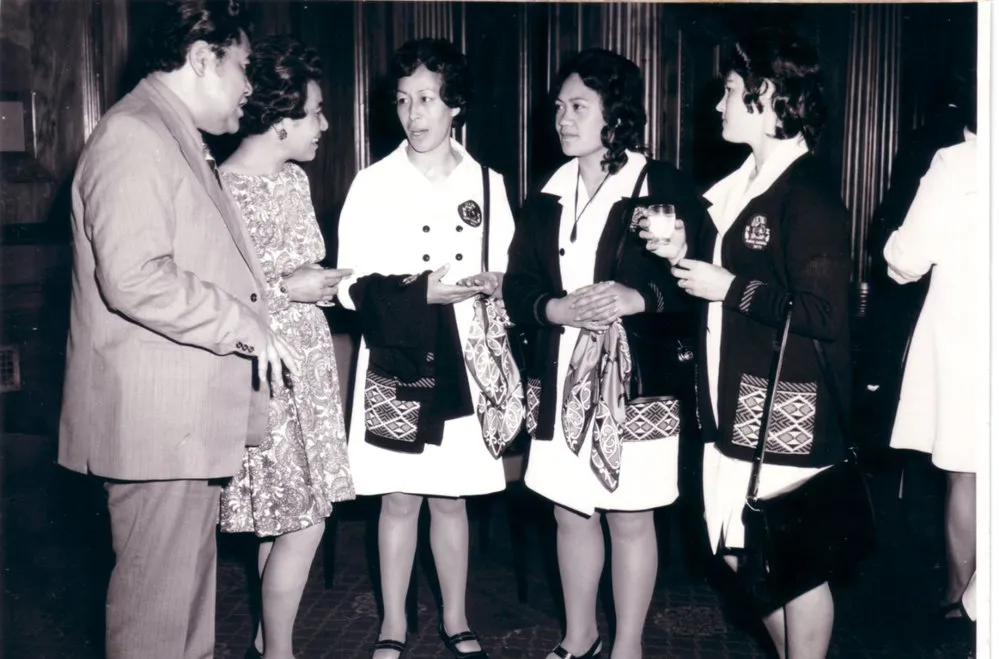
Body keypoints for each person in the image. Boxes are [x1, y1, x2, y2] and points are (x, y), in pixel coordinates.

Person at [57, 2, 300, 658]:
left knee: (179, 618)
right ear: (202, 58)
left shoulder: (168, 133)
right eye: (243, 68)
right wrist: (243, 324)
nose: (250, 87)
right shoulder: (134, 136)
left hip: (178, 430)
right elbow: (134, 276)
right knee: (155, 624)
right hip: (156, 428)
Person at [652, 30, 852, 659]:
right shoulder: (743, 182)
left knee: (794, 563)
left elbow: (822, 313)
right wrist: (685, 260)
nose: (719, 104)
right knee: (737, 550)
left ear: (767, 96)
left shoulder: (807, 189)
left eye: (732, 91)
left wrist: (728, 286)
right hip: (734, 396)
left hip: (787, 402)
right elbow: (731, 282)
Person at [503, 48, 706, 659]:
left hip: (636, 380)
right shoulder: (548, 191)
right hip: (560, 369)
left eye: (579, 107)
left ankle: (628, 647)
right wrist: (554, 310)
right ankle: (580, 635)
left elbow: (700, 278)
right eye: (560, 107)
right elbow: (519, 286)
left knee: (629, 515)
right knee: (570, 511)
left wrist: (638, 296)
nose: (563, 119)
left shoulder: (658, 185)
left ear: (614, 116)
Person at [336, 38, 518, 659]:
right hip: (396, 359)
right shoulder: (372, 183)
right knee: (398, 497)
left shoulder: (489, 185)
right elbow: (348, 286)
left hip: (464, 363)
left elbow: (509, 276)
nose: (414, 114)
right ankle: (393, 623)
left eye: (427, 100)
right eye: (403, 100)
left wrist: (496, 284)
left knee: (451, 496)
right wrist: (422, 294)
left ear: (455, 106)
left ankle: (457, 619)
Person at [217, 35, 356, 659]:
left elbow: (302, 271)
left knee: (292, 516)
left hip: (311, 369)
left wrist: (322, 287)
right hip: (265, 374)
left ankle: (265, 643)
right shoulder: (222, 189)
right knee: (303, 520)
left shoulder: (296, 181)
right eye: (316, 112)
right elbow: (213, 297)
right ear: (280, 120)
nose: (324, 124)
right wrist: (284, 288)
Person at [883, 90, 981, 631]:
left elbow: (906, 258)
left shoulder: (957, 163)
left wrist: (893, 248)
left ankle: (960, 597)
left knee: (967, 473)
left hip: (970, 339)